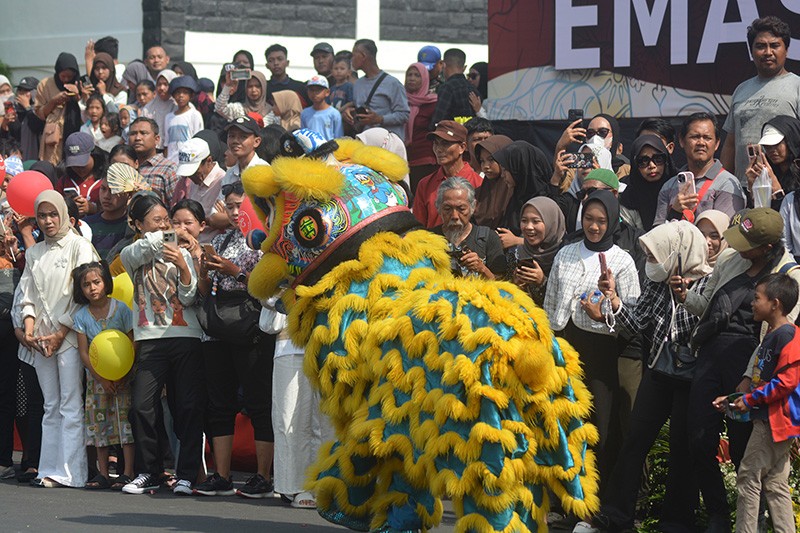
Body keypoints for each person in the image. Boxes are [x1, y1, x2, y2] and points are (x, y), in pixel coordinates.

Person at [674, 207, 800, 531]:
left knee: (746, 449)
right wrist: (685, 295)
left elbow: (778, 335)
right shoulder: (731, 260)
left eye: (747, 244)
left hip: (753, 363)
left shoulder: (790, 274)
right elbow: (706, 306)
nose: (736, 247)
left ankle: (752, 522)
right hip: (712, 355)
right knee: (699, 439)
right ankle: (717, 513)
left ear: (767, 247)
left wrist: (747, 378)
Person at [591, 221, 712, 533]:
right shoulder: (657, 283)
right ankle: (617, 514)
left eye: (656, 255)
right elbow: (635, 324)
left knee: (682, 449)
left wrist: (684, 297)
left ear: (678, 252)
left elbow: (706, 327)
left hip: (691, 379)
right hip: (659, 370)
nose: (651, 262)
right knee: (635, 439)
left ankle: (676, 523)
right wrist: (614, 300)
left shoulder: (708, 284)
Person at [544, 189, 640, 511]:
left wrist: (608, 306)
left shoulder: (622, 261)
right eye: (588, 219)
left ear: (612, 221)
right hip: (567, 344)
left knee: (600, 422)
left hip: (602, 350)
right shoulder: (566, 253)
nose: (594, 226)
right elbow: (551, 302)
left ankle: (597, 500)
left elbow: (632, 317)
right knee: (566, 417)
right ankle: (565, 494)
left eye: (601, 221)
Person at [193, 182, 275, 498]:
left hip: (250, 322)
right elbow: (205, 291)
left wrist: (235, 271)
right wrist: (204, 270)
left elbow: (269, 288)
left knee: (258, 400)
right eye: (229, 205)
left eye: (240, 204)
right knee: (220, 403)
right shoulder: (221, 238)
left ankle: (263, 476)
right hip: (218, 324)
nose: (235, 211)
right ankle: (222, 475)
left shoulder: (265, 239)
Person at [120, 192, 204, 495]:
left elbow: (189, 297)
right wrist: (171, 235)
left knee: (187, 407)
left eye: (166, 219)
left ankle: (187, 475)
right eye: (157, 220)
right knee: (142, 406)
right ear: (138, 225)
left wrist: (183, 265)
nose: (165, 225)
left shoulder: (182, 251)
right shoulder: (131, 253)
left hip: (185, 336)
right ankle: (149, 472)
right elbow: (143, 248)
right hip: (150, 338)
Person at [17, 191, 99, 488]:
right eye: (42, 215)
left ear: (64, 214)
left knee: (70, 403)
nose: (48, 221)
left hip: (70, 337)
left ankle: (72, 473)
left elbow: (84, 295)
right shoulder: (34, 252)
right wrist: (29, 331)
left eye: (53, 214)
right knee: (50, 405)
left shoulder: (80, 246)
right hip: (41, 340)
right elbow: (27, 296)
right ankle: (47, 469)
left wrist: (61, 332)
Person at [713, 273, 800, 533]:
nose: (752, 303)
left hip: (772, 422)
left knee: (748, 476)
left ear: (775, 304)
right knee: (775, 484)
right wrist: (735, 400)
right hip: (773, 420)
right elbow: (765, 380)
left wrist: (751, 400)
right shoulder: (775, 334)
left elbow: (786, 382)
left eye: (757, 298)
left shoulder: (787, 336)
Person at [71, 261, 135, 491]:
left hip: (123, 378)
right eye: (86, 284)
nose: (92, 288)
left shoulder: (122, 309)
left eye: (96, 282)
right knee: (99, 425)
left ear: (106, 282)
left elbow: (132, 343)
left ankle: (128, 472)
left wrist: (124, 374)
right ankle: (103, 473)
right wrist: (100, 378)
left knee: (125, 423)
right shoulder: (81, 316)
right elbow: (83, 351)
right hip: (96, 380)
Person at [721, 16, 800, 183]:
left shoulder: (797, 85)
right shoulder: (741, 90)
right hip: (743, 186)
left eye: (775, 45)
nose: (768, 52)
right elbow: (730, 143)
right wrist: (722, 183)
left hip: (785, 186)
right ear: (751, 51)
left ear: (786, 50)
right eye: (760, 46)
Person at [654, 112, 746, 225]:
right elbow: (658, 233)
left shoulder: (728, 185)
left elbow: (724, 233)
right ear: (682, 141)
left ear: (717, 144)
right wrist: (675, 212)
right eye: (695, 137)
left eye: (707, 138)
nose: (701, 143)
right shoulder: (668, 186)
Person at [474, 138, 553, 245]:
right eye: (482, 161)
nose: (503, 175)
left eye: (506, 170)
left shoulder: (544, 201)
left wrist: (517, 241)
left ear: (519, 169)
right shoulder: (516, 197)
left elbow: (551, 240)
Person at [412, 120, 482, 228]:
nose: (439, 149)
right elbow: (418, 227)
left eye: (445, 143)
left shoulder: (479, 183)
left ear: (462, 147)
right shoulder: (425, 184)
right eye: (436, 143)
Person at [432, 177, 505, 279]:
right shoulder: (429, 239)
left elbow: (502, 284)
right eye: (447, 209)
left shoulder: (488, 238)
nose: (454, 216)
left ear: (473, 207)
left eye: (461, 209)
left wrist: (482, 269)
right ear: (438, 208)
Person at [342, 39, 410, 142]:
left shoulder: (392, 83)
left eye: (353, 55)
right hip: (365, 143)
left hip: (387, 144)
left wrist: (380, 119)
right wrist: (350, 114)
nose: (351, 60)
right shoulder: (358, 84)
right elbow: (359, 110)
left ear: (363, 56)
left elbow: (404, 115)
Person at [511, 197, 566, 306]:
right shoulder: (517, 253)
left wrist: (542, 281)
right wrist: (515, 284)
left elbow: (565, 302)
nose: (529, 227)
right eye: (524, 221)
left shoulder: (566, 257)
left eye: (536, 221)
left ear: (551, 222)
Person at [619, 134, 677, 231]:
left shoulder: (678, 189)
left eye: (658, 159)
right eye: (643, 161)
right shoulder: (628, 199)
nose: (652, 165)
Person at [173, 137, 226, 242]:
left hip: (214, 244)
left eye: (194, 171)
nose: (190, 176)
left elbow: (221, 219)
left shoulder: (223, 182)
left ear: (209, 161)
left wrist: (210, 220)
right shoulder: (194, 181)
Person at [34, 52, 83, 165]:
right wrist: (54, 101)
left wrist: (78, 96)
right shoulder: (45, 85)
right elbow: (39, 113)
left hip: (75, 134)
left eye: (69, 77)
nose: (66, 79)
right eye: (63, 76)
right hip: (53, 138)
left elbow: (87, 111)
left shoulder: (80, 84)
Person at [747, 116, 800, 210]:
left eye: (776, 144)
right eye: (767, 146)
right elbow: (760, 212)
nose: (771, 150)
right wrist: (753, 187)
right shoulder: (767, 171)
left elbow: (793, 214)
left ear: (791, 142)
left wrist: (777, 190)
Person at [84, 167, 133, 261]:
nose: (106, 196)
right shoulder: (86, 225)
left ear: (129, 194)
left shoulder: (132, 227)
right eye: (103, 189)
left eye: (114, 190)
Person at [128, 117, 179, 206]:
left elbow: (176, 206)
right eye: (133, 134)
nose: (137, 138)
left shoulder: (168, 169)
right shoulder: (125, 167)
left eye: (143, 133)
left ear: (157, 139)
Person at [404, 62, 438, 190]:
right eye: (409, 75)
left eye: (417, 75)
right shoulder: (400, 101)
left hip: (424, 158)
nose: (412, 78)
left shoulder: (433, 103)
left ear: (424, 79)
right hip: (402, 157)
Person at [56, 131, 106, 216]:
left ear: (93, 155)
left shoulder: (105, 179)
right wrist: (69, 206)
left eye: (82, 164)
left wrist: (94, 208)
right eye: (74, 164)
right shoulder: (64, 181)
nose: (79, 168)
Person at [429, 48, 480, 126]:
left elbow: (438, 121)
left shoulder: (447, 88)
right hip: (470, 132)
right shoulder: (473, 89)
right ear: (464, 67)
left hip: (450, 132)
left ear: (444, 65)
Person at [142, 69, 177, 149]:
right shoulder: (149, 107)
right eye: (159, 84)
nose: (161, 88)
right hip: (153, 149)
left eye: (166, 84)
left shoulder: (179, 106)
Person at [300, 76, 343, 141]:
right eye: (311, 90)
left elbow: (339, 138)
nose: (314, 93)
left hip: (330, 147)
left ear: (327, 92)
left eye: (318, 90)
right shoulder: (304, 113)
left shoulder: (334, 114)